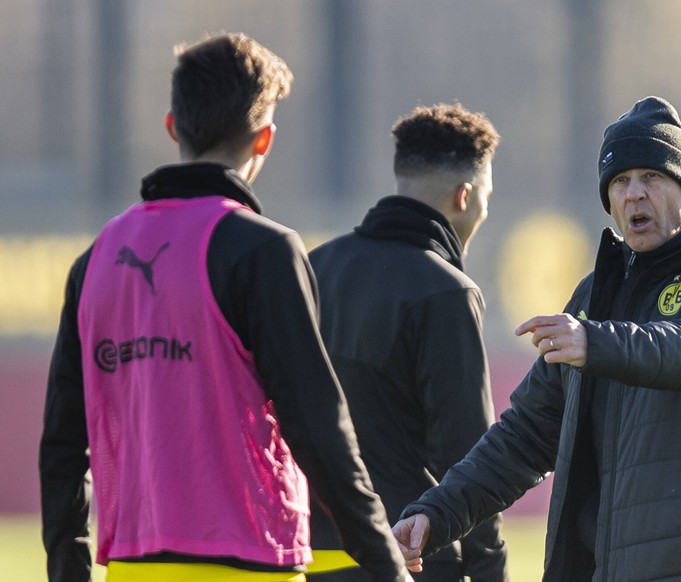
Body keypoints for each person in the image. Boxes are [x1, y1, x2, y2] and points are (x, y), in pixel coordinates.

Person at [39, 33, 410, 582]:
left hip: (133, 567)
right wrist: (386, 564)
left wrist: (69, 569)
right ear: (264, 140)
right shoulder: (263, 250)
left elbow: (63, 446)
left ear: (173, 126)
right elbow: (316, 426)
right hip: (249, 562)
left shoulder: (94, 261)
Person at [393, 96, 681, 581]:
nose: (634, 194)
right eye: (620, 181)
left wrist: (595, 344)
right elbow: (525, 435)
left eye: (653, 176)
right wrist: (436, 512)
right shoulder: (597, 296)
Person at [306, 103, 508, 581]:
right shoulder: (446, 291)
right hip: (409, 555)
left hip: (304, 554)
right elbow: (467, 456)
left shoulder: (312, 268)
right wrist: (489, 570)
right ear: (464, 196)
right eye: (486, 197)